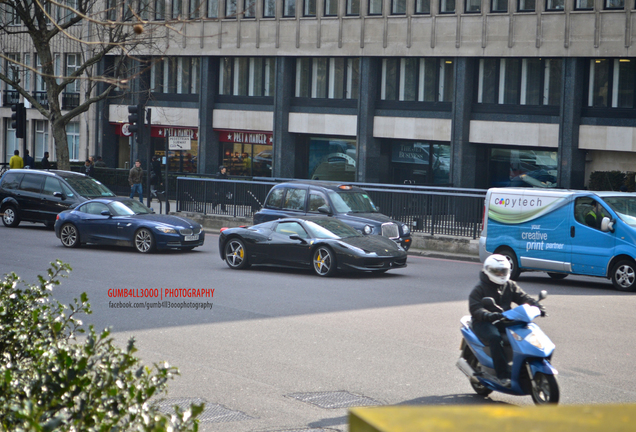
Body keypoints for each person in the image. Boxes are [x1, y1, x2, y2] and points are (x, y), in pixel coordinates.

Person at [468, 254, 545, 388]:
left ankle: (524, 363)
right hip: (484, 322)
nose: (501, 274)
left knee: (526, 330)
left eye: (504, 271)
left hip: (504, 318)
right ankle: (502, 375)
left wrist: (537, 306)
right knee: (495, 337)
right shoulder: (480, 288)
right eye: (497, 271)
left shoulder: (509, 285)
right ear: (488, 271)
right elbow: (475, 309)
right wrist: (489, 315)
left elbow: (523, 297)